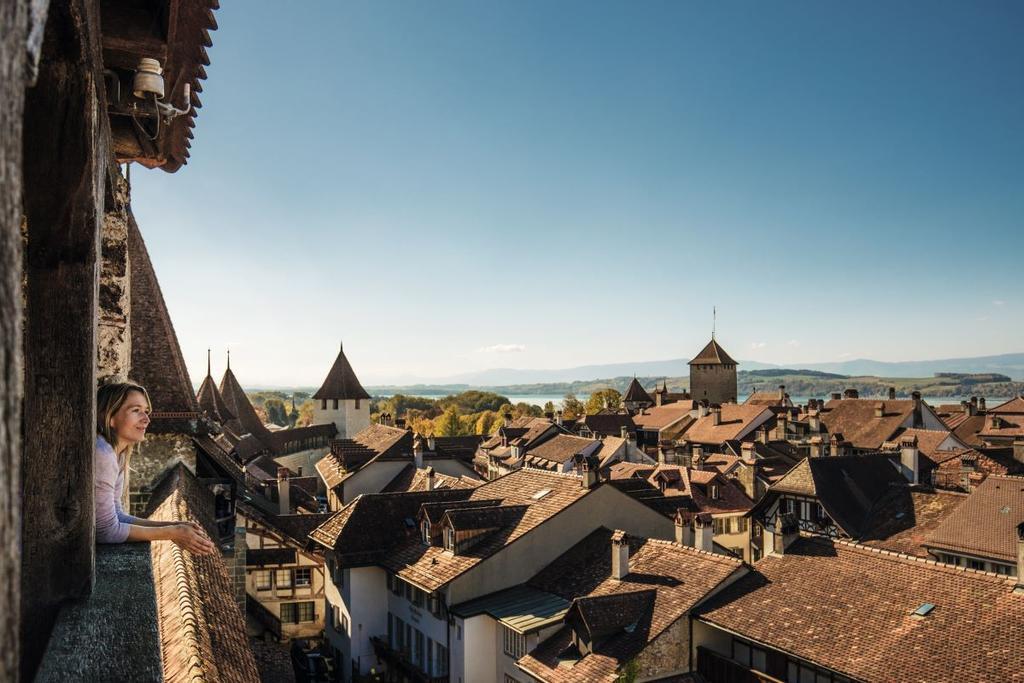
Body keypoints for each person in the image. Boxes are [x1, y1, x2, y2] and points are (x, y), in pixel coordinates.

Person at [95, 380, 215, 554]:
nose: (146, 419)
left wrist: (174, 525)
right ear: (110, 417)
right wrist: (172, 532)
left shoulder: (116, 454)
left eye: (146, 411)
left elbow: (116, 515)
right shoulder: (103, 454)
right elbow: (105, 530)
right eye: (136, 411)